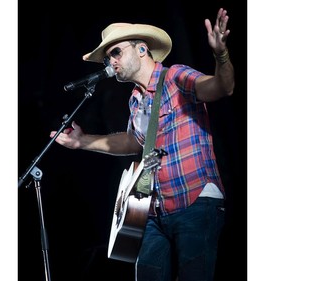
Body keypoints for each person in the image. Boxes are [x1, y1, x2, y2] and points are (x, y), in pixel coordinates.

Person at [50, 7, 234, 281]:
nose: (110, 62)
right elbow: (133, 141)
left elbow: (222, 87)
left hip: (195, 202)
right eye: (107, 58)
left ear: (141, 49)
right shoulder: (135, 101)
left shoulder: (175, 77)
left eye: (116, 52)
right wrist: (81, 141)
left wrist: (221, 55)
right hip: (152, 209)